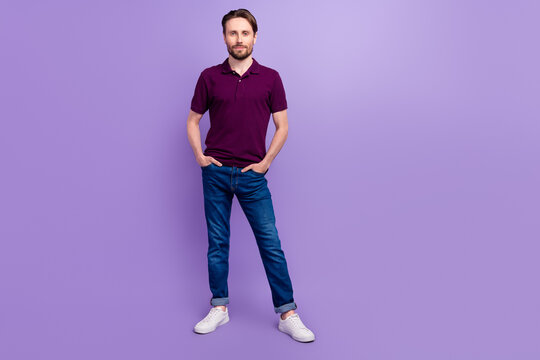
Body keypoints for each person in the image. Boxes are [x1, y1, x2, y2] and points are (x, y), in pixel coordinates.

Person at [186, 9, 315, 342]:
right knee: (218, 243)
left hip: (252, 175)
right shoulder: (209, 77)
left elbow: (283, 126)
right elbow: (192, 121)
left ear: (255, 37)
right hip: (215, 174)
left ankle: (287, 313)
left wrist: (266, 162)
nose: (239, 39)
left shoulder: (270, 78)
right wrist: (201, 157)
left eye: (245, 33)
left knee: (270, 243)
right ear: (224, 37)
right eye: (232, 33)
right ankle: (220, 308)